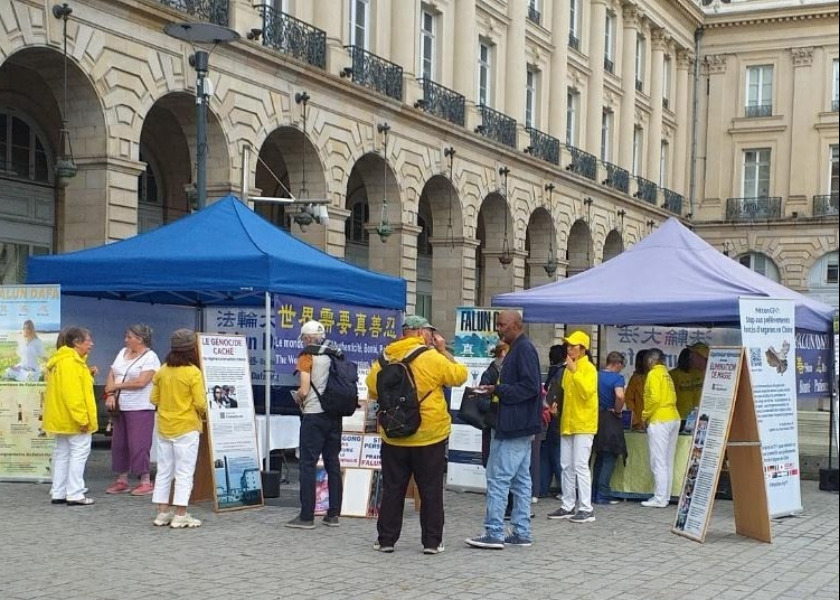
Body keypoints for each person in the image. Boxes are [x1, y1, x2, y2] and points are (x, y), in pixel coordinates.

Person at [366, 315, 467, 554]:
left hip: (394, 434)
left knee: (393, 488)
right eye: (430, 332)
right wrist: (443, 351)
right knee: (430, 489)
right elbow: (460, 375)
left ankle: (386, 540)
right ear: (421, 333)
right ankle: (432, 542)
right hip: (429, 434)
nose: (433, 337)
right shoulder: (432, 357)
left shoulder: (385, 357)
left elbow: (372, 387)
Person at [466, 310, 541, 549]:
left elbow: (529, 387)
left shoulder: (524, 349)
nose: (498, 329)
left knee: (497, 477)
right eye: (498, 325)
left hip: (514, 425)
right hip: (518, 423)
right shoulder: (518, 349)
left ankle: (494, 532)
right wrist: (494, 389)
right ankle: (521, 531)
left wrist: (497, 391)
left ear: (517, 325)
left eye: (502, 325)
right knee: (520, 480)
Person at [285, 319, 344, 530]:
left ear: (308, 338)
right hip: (334, 415)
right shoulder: (335, 353)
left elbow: (303, 389)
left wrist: (298, 399)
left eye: (304, 339)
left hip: (314, 414)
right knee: (332, 463)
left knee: (308, 463)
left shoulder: (307, 355)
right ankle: (333, 514)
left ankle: (306, 516)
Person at [150, 329, 206, 528]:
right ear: (192, 349)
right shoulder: (193, 372)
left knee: (164, 470)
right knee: (184, 472)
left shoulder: (162, 370)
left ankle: (162, 512)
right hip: (187, 426)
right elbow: (200, 403)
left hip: (164, 425)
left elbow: (153, 399)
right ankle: (181, 514)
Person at [104, 324, 161, 496]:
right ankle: (122, 479)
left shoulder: (151, 357)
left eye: (129, 337)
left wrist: (118, 385)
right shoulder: (122, 352)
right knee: (119, 444)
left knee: (139, 444)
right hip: (121, 405)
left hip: (141, 406)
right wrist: (111, 393)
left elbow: (141, 382)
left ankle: (145, 480)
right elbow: (112, 373)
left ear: (140, 339)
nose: (126, 340)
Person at [548, 330, 598, 524]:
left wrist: (575, 371)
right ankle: (568, 504)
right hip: (568, 422)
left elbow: (586, 392)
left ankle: (586, 507)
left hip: (584, 423)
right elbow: (565, 394)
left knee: (580, 465)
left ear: (583, 349)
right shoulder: (568, 370)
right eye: (568, 346)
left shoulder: (588, 369)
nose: (569, 349)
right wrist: (555, 405)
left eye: (573, 346)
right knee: (566, 465)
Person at [43, 326, 97, 505]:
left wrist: (87, 373)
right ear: (77, 342)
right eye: (88, 340)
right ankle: (75, 493)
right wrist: (82, 418)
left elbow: (65, 387)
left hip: (60, 418)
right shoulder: (71, 363)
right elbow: (73, 395)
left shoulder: (59, 361)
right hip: (73, 419)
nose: (91, 343)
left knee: (62, 454)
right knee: (78, 454)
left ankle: (58, 492)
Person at [641, 348, 681, 508]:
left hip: (660, 419)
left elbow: (654, 399)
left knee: (658, 461)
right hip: (673, 417)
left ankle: (659, 498)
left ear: (651, 361)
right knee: (668, 461)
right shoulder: (667, 374)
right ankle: (665, 496)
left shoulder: (653, 374)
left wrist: (645, 415)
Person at [592, 351, 627, 505]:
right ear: (617, 364)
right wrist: (618, 410)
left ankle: (593, 492)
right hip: (611, 418)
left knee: (599, 456)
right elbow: (620, 396)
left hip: (596, 417)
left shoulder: (595, 375)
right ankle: (603, 492)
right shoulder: (617, 378)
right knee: (609, 456)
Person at [540, 344, 566, 498]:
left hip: (546, 417)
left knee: (545, 454)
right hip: (557, 417)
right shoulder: (563, 372)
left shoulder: (551, 371)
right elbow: (556, 395)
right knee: (557, 454)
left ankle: (542, 487)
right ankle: (564, 489)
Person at [670, 347, 704, 430]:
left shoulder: (700, 373)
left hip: (698, 415)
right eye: (693, 357)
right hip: (680, 416)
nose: (695, 360)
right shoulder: (673, 375)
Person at [624, 349, 649, 431]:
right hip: (640, 422)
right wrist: (636, 421)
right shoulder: (635, 378)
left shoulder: (655, 377)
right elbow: (628, 399)